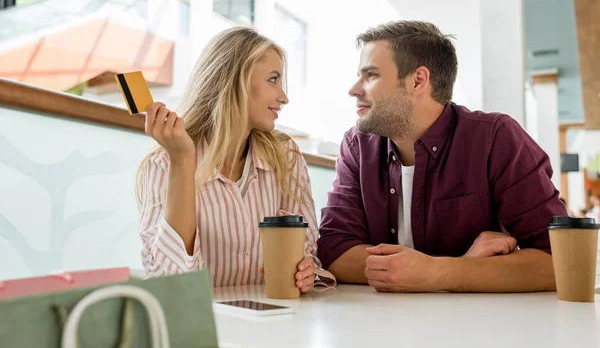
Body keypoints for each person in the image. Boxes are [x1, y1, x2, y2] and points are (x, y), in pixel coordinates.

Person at [318, 20, 566, 293]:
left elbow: (562, 261)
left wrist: (435, 273)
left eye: (371, 75)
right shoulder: (357, 147)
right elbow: (334, 250)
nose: (354, 89)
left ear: (418, 80)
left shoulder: (495, 137)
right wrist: (454, 267)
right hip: (381, 325)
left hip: (475, 330)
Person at [137, 27, 335, 291]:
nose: (284, 97)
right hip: (204, 325)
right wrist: (183, 160)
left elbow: (307, 251)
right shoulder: (164, 162)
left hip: (278, 322)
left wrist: (306, 270)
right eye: (273, 80)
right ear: (235, 80)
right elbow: (170, 281)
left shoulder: (286, 157)